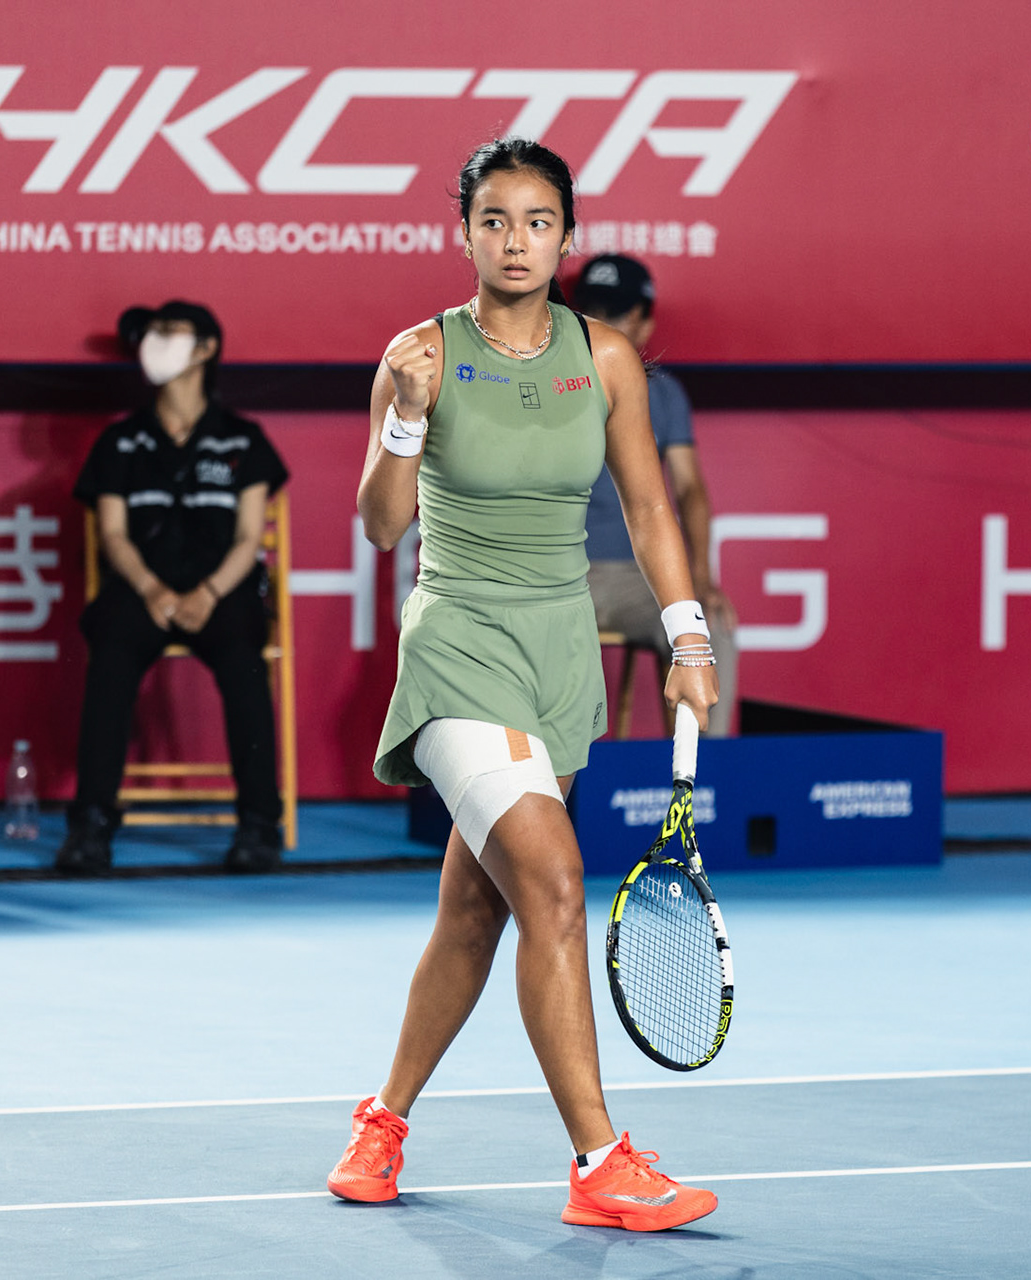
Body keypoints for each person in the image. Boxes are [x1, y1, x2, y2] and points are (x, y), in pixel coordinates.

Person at [328, 139, 722, 1232]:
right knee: (553, 885)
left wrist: (687, 635)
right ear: (464, 233)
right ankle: (600, 1161)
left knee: (473, 913)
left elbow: (649, 508)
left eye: (538, 221)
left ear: (566, 237)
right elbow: (380, 524)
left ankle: (380, 1123)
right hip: (459, 647)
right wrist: (405, 416)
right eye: (495, 220)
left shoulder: (606, 360)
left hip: (559, 656)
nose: (516, 241)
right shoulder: (418, 354)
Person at [55, 300, 290, 876]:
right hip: (142, 590)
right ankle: (91, 825)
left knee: (245, 663)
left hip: (220, 592)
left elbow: (248, 539)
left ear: (206, 348)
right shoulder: (121, 442)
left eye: (170, 331)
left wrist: (207, 594)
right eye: (151, 333)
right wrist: (152, 590)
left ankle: (259, 824)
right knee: (110, 652)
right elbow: (112, 533)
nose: (155, 342)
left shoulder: (242, 440)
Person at [572, 254, 739, 736]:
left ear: (643, 323)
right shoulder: (545, 384)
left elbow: (689, 488)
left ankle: (703, 771)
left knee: (709, 625)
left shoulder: (663, 393)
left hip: (639, 579)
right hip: (561, 574)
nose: (603, 326)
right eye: (592, 312)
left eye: (616, 314)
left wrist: (701, 578)